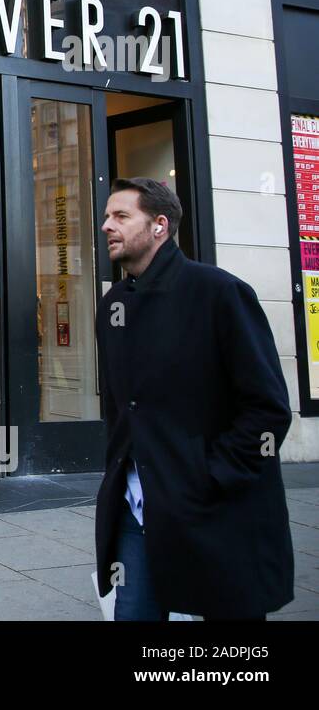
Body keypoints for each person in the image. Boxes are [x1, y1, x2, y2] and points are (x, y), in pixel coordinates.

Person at [95, 177, 293, 621]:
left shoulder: (219, 293)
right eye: (107, 216)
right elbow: (121, 410)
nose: (106, 225)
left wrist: (211, 474)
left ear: (159, 225)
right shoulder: (112, 308)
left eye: (121, 216)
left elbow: (268, 409)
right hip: (135, 510)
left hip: (215, 510)